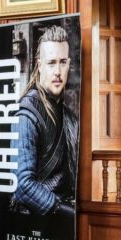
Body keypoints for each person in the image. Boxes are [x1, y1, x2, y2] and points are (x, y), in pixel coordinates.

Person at [12, 25, 78, 218]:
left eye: (63, 62)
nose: (58, 71)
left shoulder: (70, 117)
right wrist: (65, 211)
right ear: (40, 66)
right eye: (51, 63)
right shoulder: (27, 114)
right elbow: (23, 186)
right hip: (35, 221)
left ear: (69, 65)